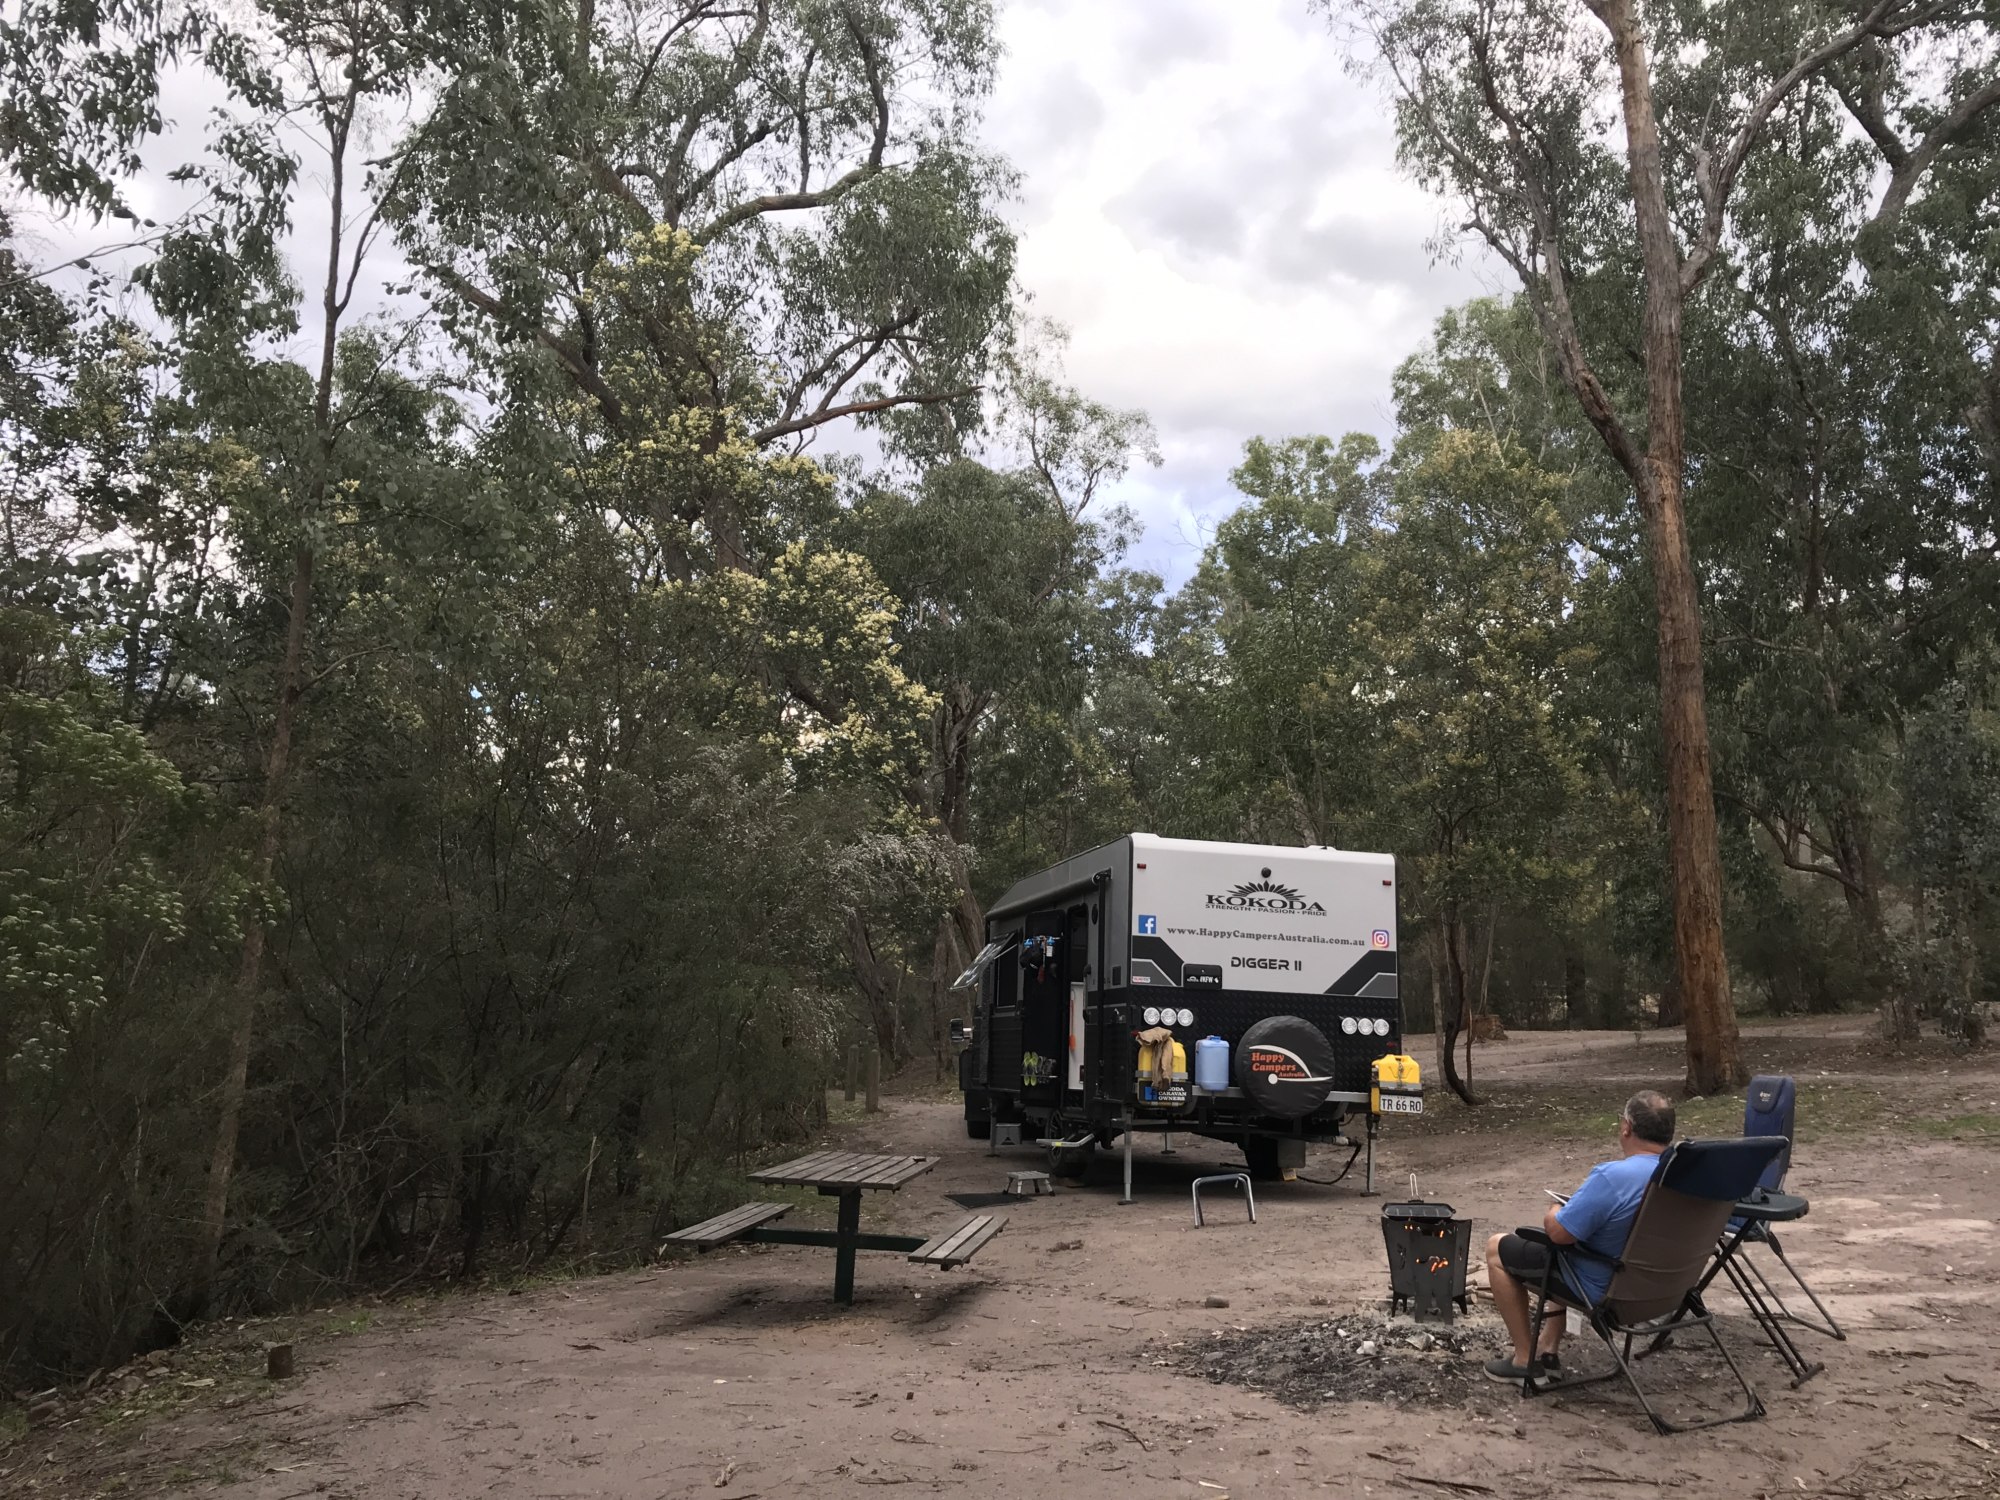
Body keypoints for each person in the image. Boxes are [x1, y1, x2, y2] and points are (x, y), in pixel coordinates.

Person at [1482, 1089, 1677, 1387]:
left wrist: (1555, 1211)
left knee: (1498, 1247)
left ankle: (1523, 1360)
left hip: (1606, 1289)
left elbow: (1559, 1234)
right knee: (1573, 1247)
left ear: (1626, 1127)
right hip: (1663, 1290)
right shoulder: (1683, 1176)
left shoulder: (1613, 1177)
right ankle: (1548, 1346)